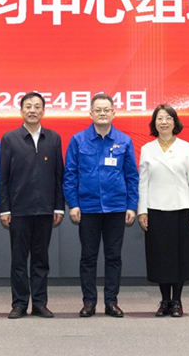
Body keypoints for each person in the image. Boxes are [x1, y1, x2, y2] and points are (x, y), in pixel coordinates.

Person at [64, 93, 139, 318]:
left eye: (107, 110)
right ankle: (89, 302)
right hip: (87, 208)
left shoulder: (124, 141)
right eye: (98, 110)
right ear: (91, 113)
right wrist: (73, 204)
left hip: (116, 207)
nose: (103, 113)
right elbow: (70, 175)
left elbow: (132, 176)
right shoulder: (78, 140)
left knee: (113, 257)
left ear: (114, 113)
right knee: (88, 257)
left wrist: (131, 206)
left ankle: (111, 302)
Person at [0, 92, 65, 319]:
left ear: (43, 111)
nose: (32, 110)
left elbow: (59, 176)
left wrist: (59, 207)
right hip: (18, 210)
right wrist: (5, 208)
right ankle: (19, 304)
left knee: (41, 260)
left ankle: (39, 303)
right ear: (21, 111)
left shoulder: (53, 138)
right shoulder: (10, 138)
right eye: (28, 106)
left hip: (45, 210)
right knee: (18, 260)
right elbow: (3, 177)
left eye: (37, 106)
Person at [137, 104, 189, 317]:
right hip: (155, 210)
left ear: (175, 122)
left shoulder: (187, 148)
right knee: (160, 257)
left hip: (181, 209)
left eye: (168, 118)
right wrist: (142, 211)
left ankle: (177, 301)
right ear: (154, 123)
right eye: (159, 118)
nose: (164, 122)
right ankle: (164, 300)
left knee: (180, 257)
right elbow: (143, 183)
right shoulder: (147, 149)